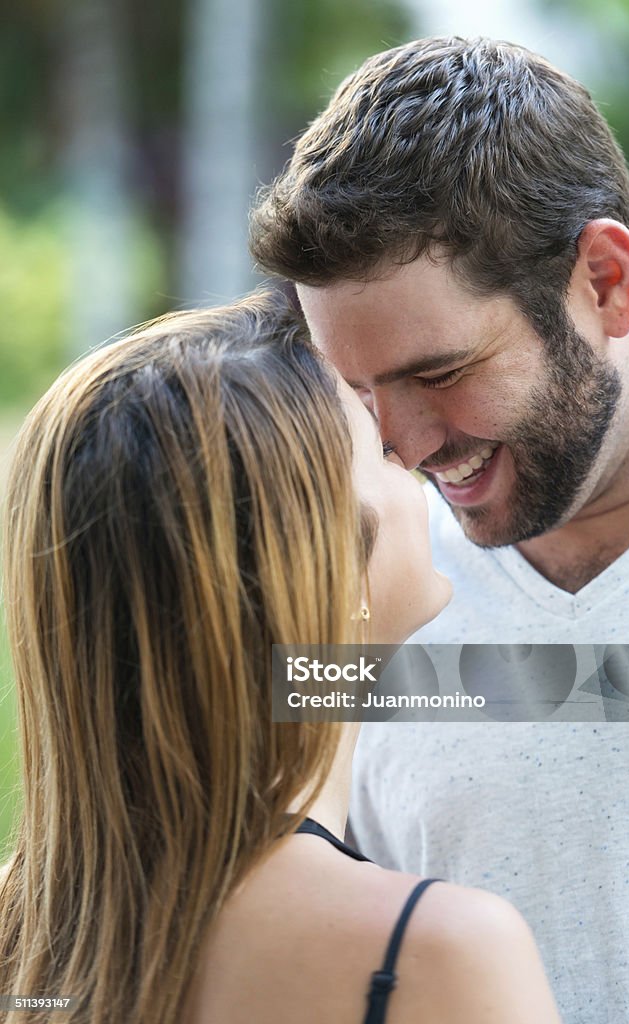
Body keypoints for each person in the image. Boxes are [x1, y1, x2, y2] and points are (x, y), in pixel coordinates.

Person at [249, 36, 629, 1023]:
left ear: (605, 282)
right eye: (359, 389)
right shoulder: (371, 597)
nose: (397, 446)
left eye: (438, 374)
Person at [0, 291, 561, 1023]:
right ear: (333, 566)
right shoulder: (438, 954)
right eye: (382, 449)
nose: (418, 459)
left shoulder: (25, 935)